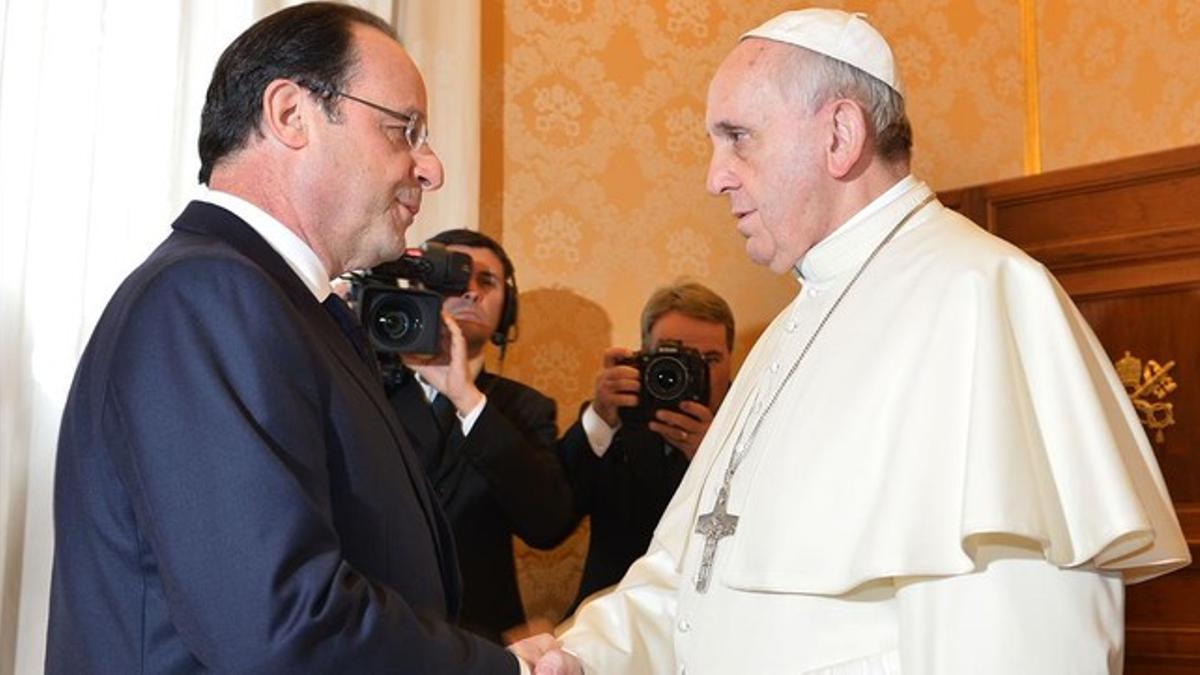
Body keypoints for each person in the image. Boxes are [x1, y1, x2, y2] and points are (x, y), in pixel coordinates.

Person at [519, 9, 1191, 674]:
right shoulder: (794, 323)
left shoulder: (979, 296)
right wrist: (584, 654)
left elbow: (1018, 643)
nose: (714, 176)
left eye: (738, 137)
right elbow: (693, 575)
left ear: (840, 134)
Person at [47, 4, 526, 672]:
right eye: (403, 130)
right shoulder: (208, 295)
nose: (432, 167)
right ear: (290, 114)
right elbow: (280, 625)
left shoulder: (279, 301)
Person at [386, 228, 575, 644]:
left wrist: (466, 399)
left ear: (506, 309)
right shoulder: (366, 387)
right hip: (381, 636)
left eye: (486, 281)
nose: (470, 292)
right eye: (453, 279)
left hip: (486, 643)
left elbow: (548, 525)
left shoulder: (526, 409)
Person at [558, 281, 734, 612]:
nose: (690, 372)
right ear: (645, 356)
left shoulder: (756, 425)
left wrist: (716, 459)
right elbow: (552, 518)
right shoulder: (619, 420)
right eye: (675, 357)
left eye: (709, 359)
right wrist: (599, 419)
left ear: (732, 360)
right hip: (609, 623)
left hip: (712, 625)